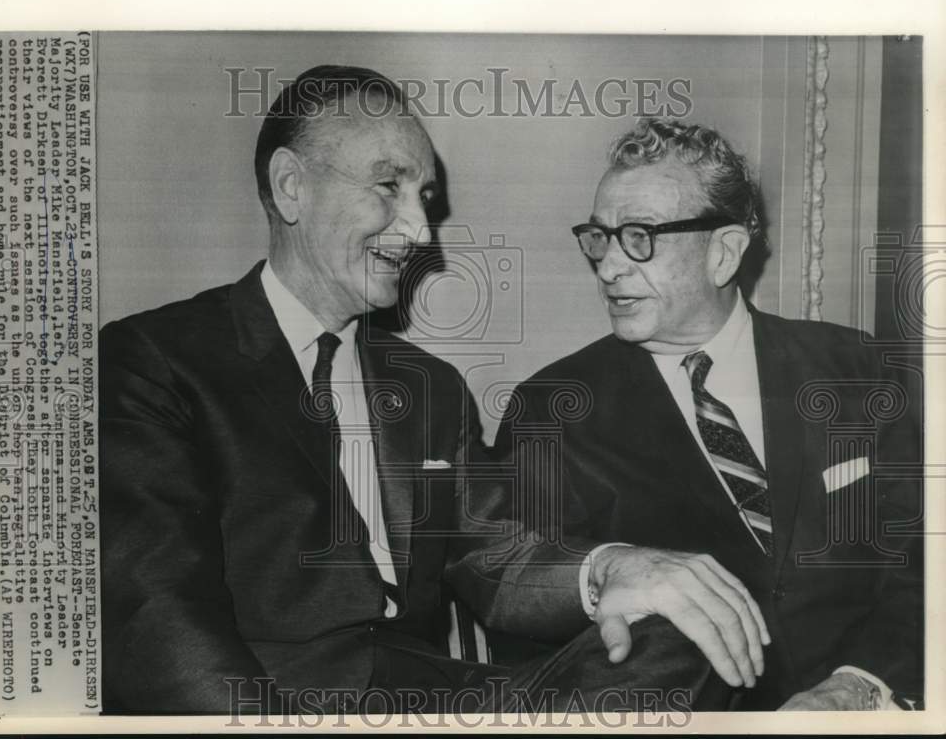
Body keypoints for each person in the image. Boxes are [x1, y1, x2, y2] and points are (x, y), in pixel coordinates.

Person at [99, 70, 744, 716]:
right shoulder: (158, 362)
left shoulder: (430, 388)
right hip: (271, 699)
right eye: (389, 187)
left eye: (424, 195)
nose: (417, 230)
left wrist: (611, 568)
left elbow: (496, 552)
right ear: (291, 186)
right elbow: (157, 611)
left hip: (433, 702)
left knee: (685, 632)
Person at [493, 117, 923, 711]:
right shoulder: (551, 408)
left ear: (724, 252)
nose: (609, 267)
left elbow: (923, 560)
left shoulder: (855, 369)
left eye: (639, 236)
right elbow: (515, 600)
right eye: (599, 237)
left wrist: (858, 687)